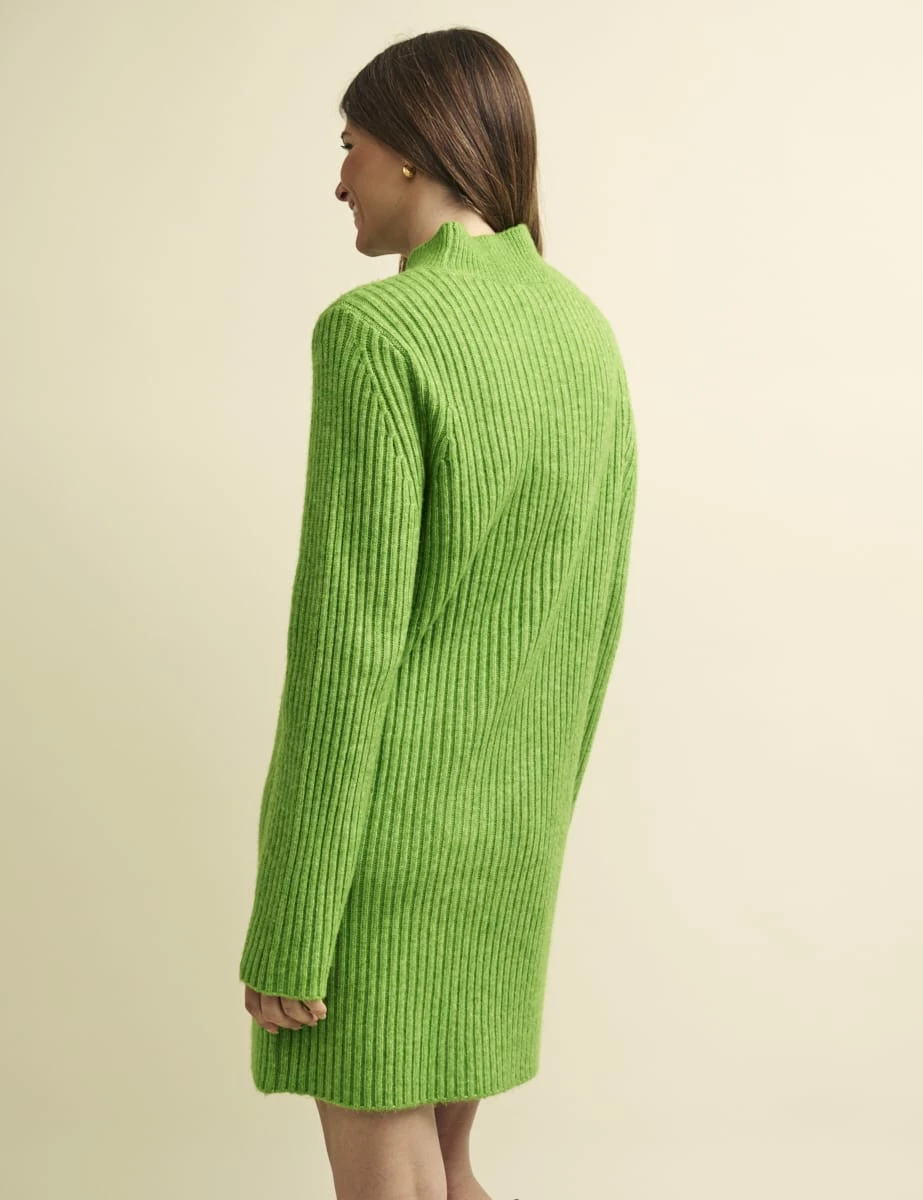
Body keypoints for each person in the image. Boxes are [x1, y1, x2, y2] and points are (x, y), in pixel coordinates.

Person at [238, 26, 638, 1200]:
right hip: (505, 845)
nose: (340, 178)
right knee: (449, 1171)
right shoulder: (580, 333)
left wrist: (293, 922)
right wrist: (532, 825)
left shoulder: (375, 337)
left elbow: (344, 654)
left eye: (350, 145)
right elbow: (593, 619)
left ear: (411, 151)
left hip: (382, 857)